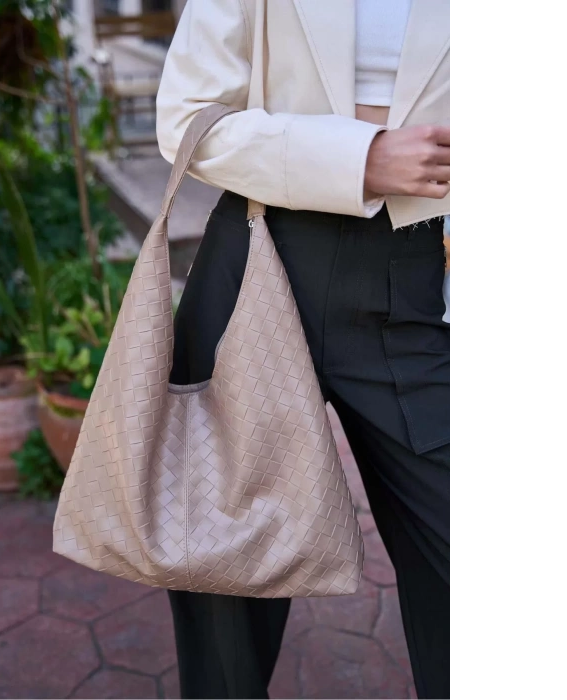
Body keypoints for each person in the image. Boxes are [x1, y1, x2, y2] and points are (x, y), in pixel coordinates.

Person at [155, 1, 450, 698]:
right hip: (260, 254)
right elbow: (188, 117)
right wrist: (361, 158)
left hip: (422, 274)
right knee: (222, 567)